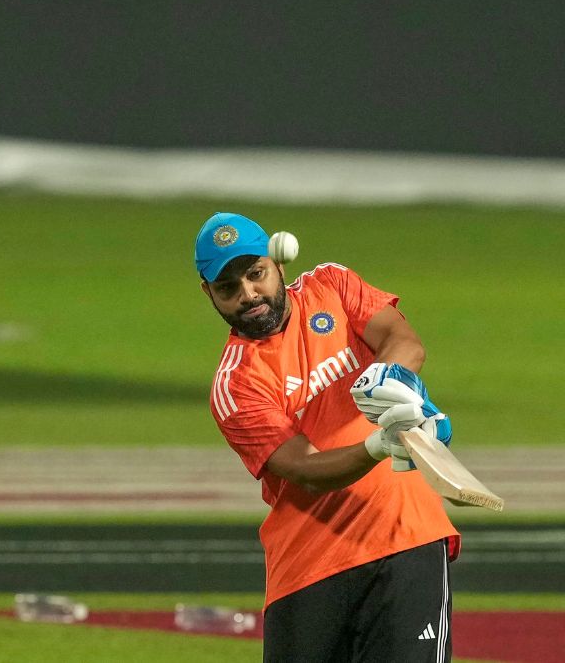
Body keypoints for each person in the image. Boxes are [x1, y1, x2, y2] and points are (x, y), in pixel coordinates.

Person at [194, 212, 459, 662]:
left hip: (406, 538)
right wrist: (380, 444)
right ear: (209, 293)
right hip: (309, 567)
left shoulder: (332, 286)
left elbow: (404, 341)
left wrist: (386, 385)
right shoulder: (236, 384)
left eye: (256, 274)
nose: (248, 294)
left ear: (278, 264)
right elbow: (307, 470)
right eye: (227, 288)